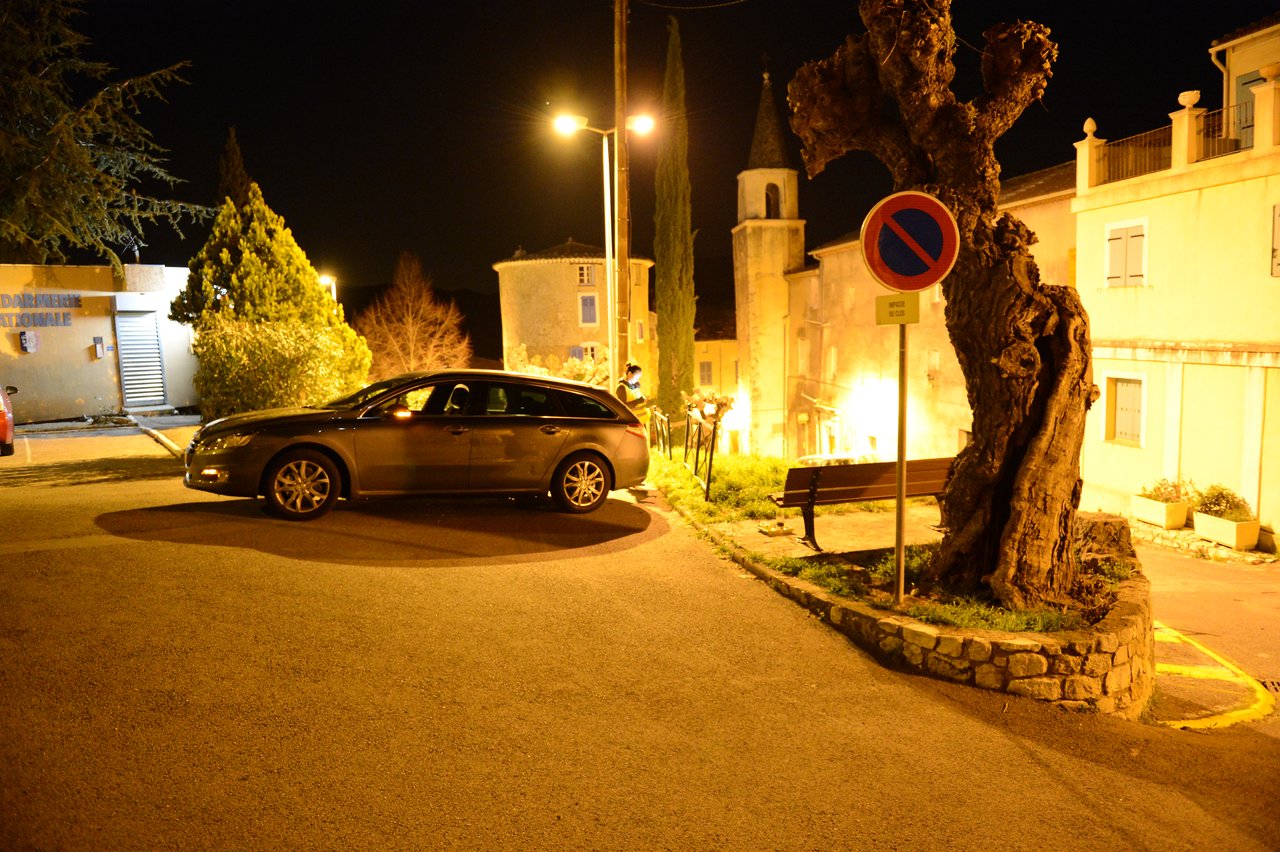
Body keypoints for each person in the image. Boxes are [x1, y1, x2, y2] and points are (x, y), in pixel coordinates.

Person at [616, 363, 650, 428]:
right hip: (633, 424)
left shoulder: (634, 386)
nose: (637, 379)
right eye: (636, 377)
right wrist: (638, 401)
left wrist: (643, 400)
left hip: (640, 422)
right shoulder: (621, 388)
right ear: (629, 374)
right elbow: (623, 407)